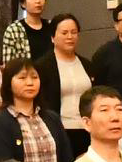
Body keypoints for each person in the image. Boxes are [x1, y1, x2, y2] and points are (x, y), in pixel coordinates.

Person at [0, 58, 59, 162]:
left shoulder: (52, 118)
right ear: (8, 83)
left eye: (34, 77)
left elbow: (66, 160)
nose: (30, 83)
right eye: (22, 78)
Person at [38, 14, 91, 150]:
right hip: (58, 131)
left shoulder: (87, 64)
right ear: (53, 37)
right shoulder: (42, 66)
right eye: (64, 33)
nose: (70, 37)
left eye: (74, 32)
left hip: (87, 129)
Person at [0, 0, 45, 68]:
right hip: (26, 75)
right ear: (23, 3)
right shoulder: (13, 30)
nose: (38, 1)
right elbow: (9, 66)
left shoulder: (52, 26)